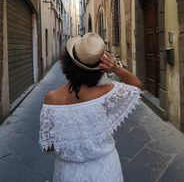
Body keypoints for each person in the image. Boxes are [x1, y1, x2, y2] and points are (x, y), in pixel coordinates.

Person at [39, 32, 142, 182]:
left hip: (68, 172)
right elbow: (136, 85)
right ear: (100, 69)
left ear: (68, 62)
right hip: (106, 170)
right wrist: (114, 67)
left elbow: (48, 146)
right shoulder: (106, 93)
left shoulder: (52, 98)